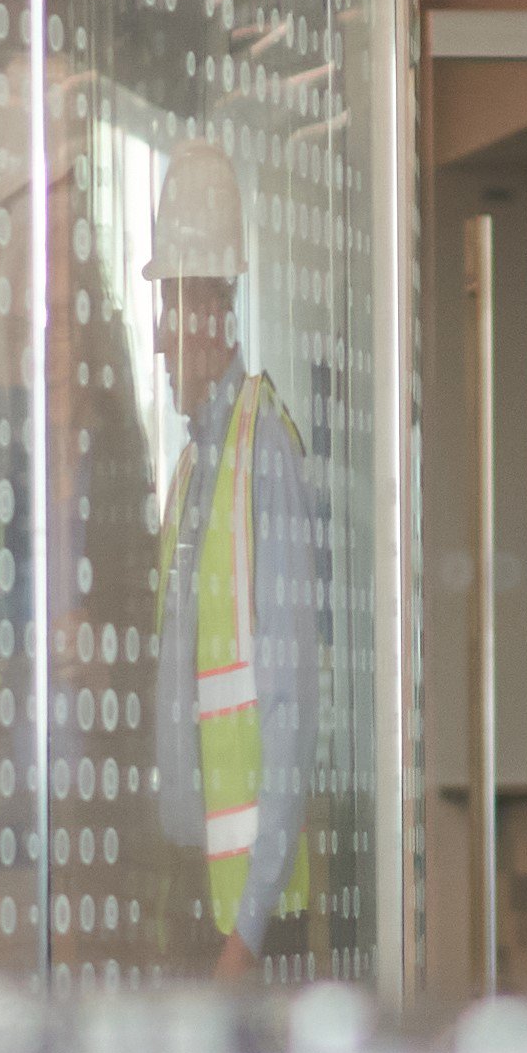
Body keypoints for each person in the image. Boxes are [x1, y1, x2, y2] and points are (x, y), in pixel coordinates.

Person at [144, 138, 323, 983]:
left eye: (170, 308)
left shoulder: (261, 453)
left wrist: (247, 932)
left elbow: (289, 705)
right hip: (190, 894)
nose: (157, 342)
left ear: (213, 310)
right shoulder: (191, 469)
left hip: (243, 926)